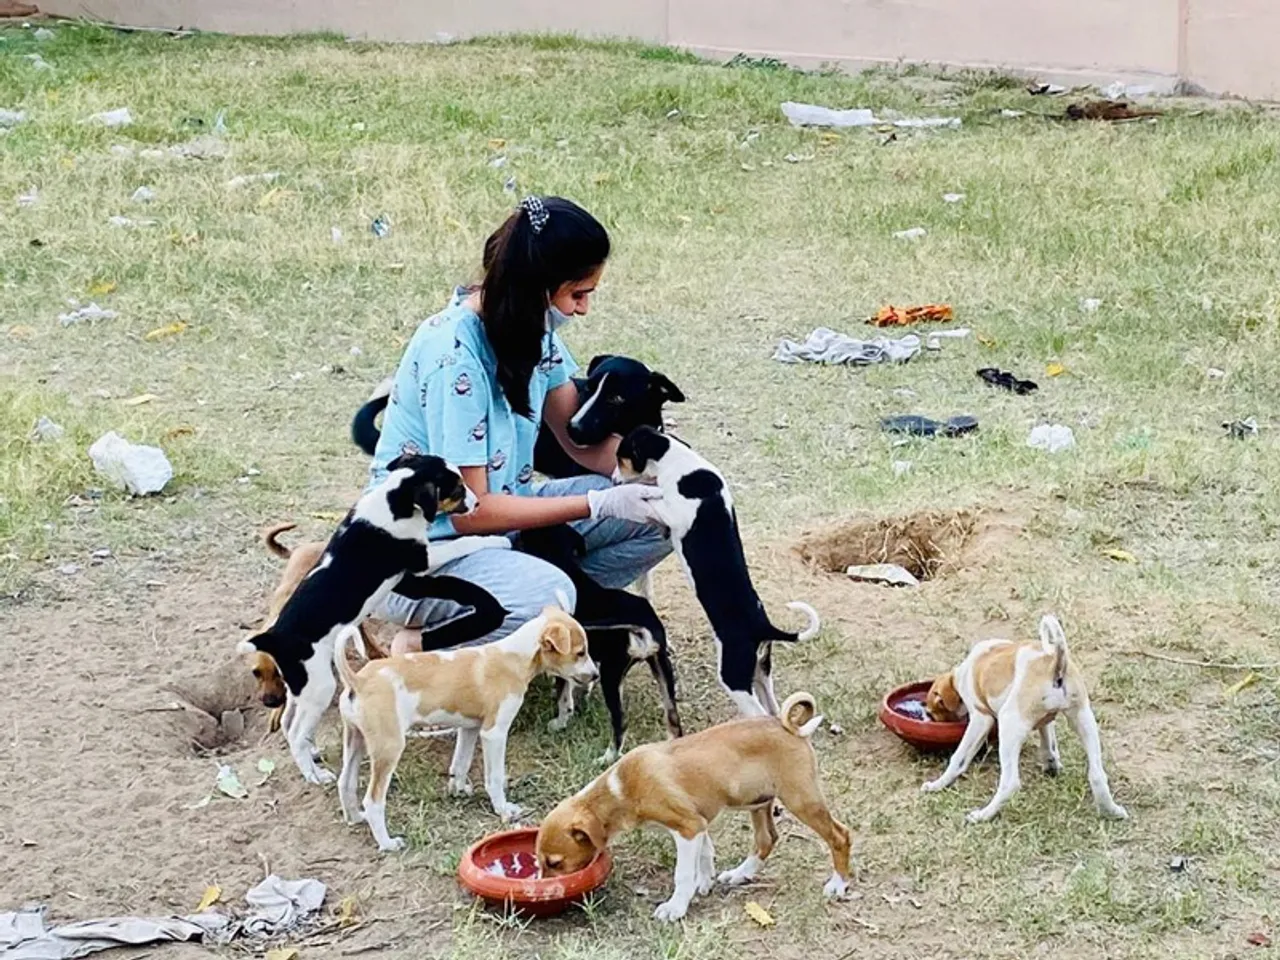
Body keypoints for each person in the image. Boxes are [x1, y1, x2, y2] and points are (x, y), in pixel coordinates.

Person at [368, 196, 671, 654]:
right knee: (548, 594)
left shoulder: (532, 333)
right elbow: (472, 512)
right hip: (424, 555)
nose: (583, 309)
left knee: (667, 514)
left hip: (503, 524)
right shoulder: (456, 358)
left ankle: (539, 615)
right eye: (577, 294)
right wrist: (598, 502)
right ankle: (423, 649)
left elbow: (577, 438)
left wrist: (673, 472)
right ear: (538, 287)